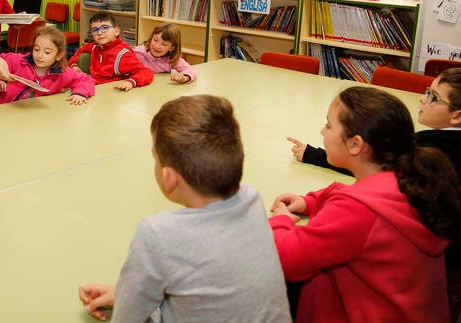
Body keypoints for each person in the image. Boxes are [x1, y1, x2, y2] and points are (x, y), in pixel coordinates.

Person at [78, 95, 291, 322]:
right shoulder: (251, 199)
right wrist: (126, 295)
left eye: (155, 159)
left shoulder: (157, 234)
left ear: (168, 178)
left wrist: (128, 298)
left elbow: (127, 318)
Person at [270, 86, 460, 322]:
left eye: (328, 125)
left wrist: (281, 221)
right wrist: (311, 201)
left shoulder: (357, 210)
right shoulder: (411, 177)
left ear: (355, 145)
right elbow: (358, 195)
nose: (322, 130)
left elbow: (285, 259)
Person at [287, 67, 461, 177]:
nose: (423, 99)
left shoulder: (429, 149)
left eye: (433, 97)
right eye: (427, 91)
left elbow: (374, 165)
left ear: (456, 117)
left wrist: (313, 155)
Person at [0, 26, 94, 105]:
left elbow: (86, 80)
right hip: (8, 111)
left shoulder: (62, 73)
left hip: (39, 117)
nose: (39, 55)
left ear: (59, 55)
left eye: (47, 52)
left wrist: (80, 93)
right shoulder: (19, 61)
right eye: (36, 49)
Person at [69, 11, 153, 91]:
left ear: (116, 31)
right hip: (93, 87)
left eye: (104, 28)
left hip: (111, 92)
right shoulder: (95, 46)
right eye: (95, 30)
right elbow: (80, 50)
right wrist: (73, 64)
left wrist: (131, 82)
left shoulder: (122, 54)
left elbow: (146, 72)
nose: (99, 33)